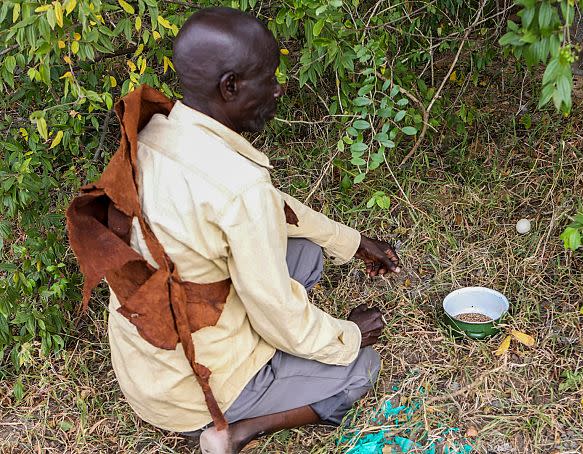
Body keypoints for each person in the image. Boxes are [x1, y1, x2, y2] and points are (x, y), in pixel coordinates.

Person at [106, 7, 401, 453]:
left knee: (307, 251)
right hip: (193, 391)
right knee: (361, 368)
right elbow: (277, 314)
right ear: (231, 87)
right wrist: (349, 334)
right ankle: (238, 431)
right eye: (269, 77)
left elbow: (275, 210)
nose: (279, 88)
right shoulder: (239, 188)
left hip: (148, 366)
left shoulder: (157, 131)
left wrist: (354, 243)